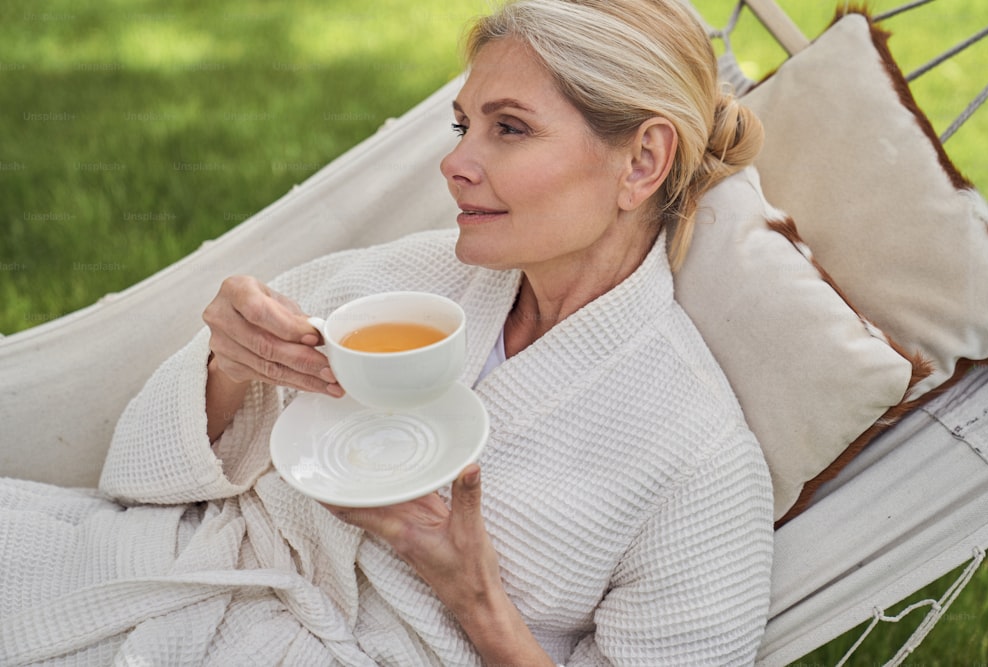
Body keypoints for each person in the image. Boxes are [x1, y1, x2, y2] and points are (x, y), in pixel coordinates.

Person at [0, 0, 773, 664]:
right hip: (161, 579)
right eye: (463, 123)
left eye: (508, 129)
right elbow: (135, 476)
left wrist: (480, 604)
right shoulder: (410, 284)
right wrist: (228, 367)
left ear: (642, 160)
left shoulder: (698, 461)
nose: (455, 162)